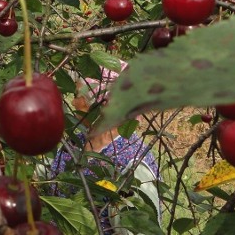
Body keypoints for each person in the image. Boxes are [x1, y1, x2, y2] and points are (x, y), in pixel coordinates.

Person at [46, 62, 161, 235]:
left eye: (78, 94)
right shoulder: (76, 142)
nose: (73, 102)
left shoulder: (133, 162)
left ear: (102, 103)